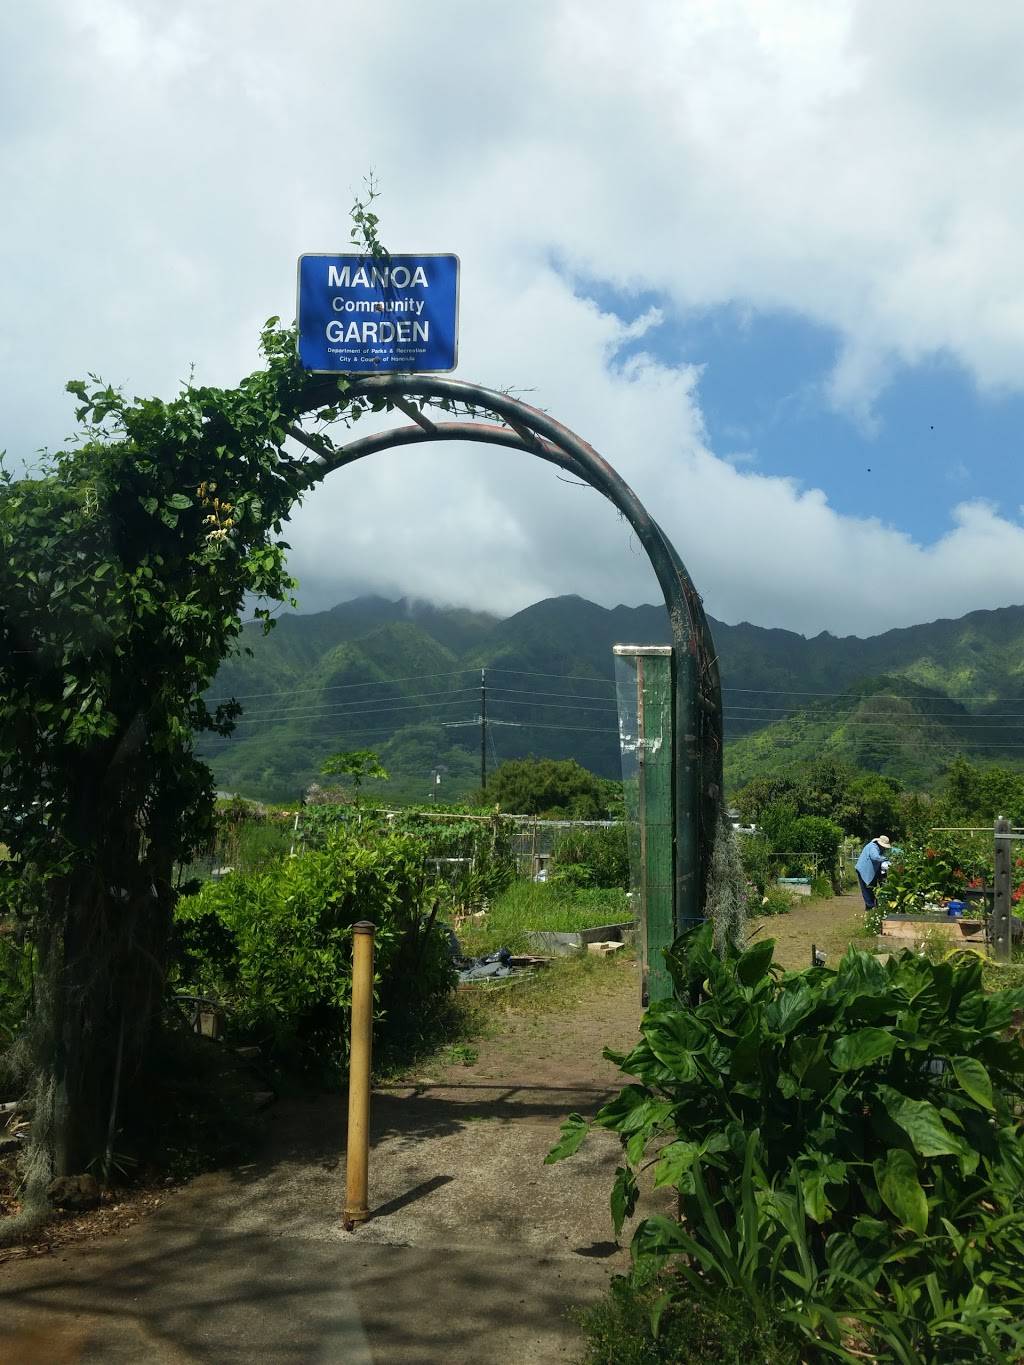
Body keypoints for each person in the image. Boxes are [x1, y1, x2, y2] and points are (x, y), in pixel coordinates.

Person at [855, 834, 891, 911]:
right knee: (867, 889)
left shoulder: (877, 847)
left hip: (870, 870)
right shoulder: (873, 847)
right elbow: (875, 857)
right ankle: (870, 908)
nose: (885, 848)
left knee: (872, 888)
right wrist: (886, 859)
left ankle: (872, 906)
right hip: (864, 870)